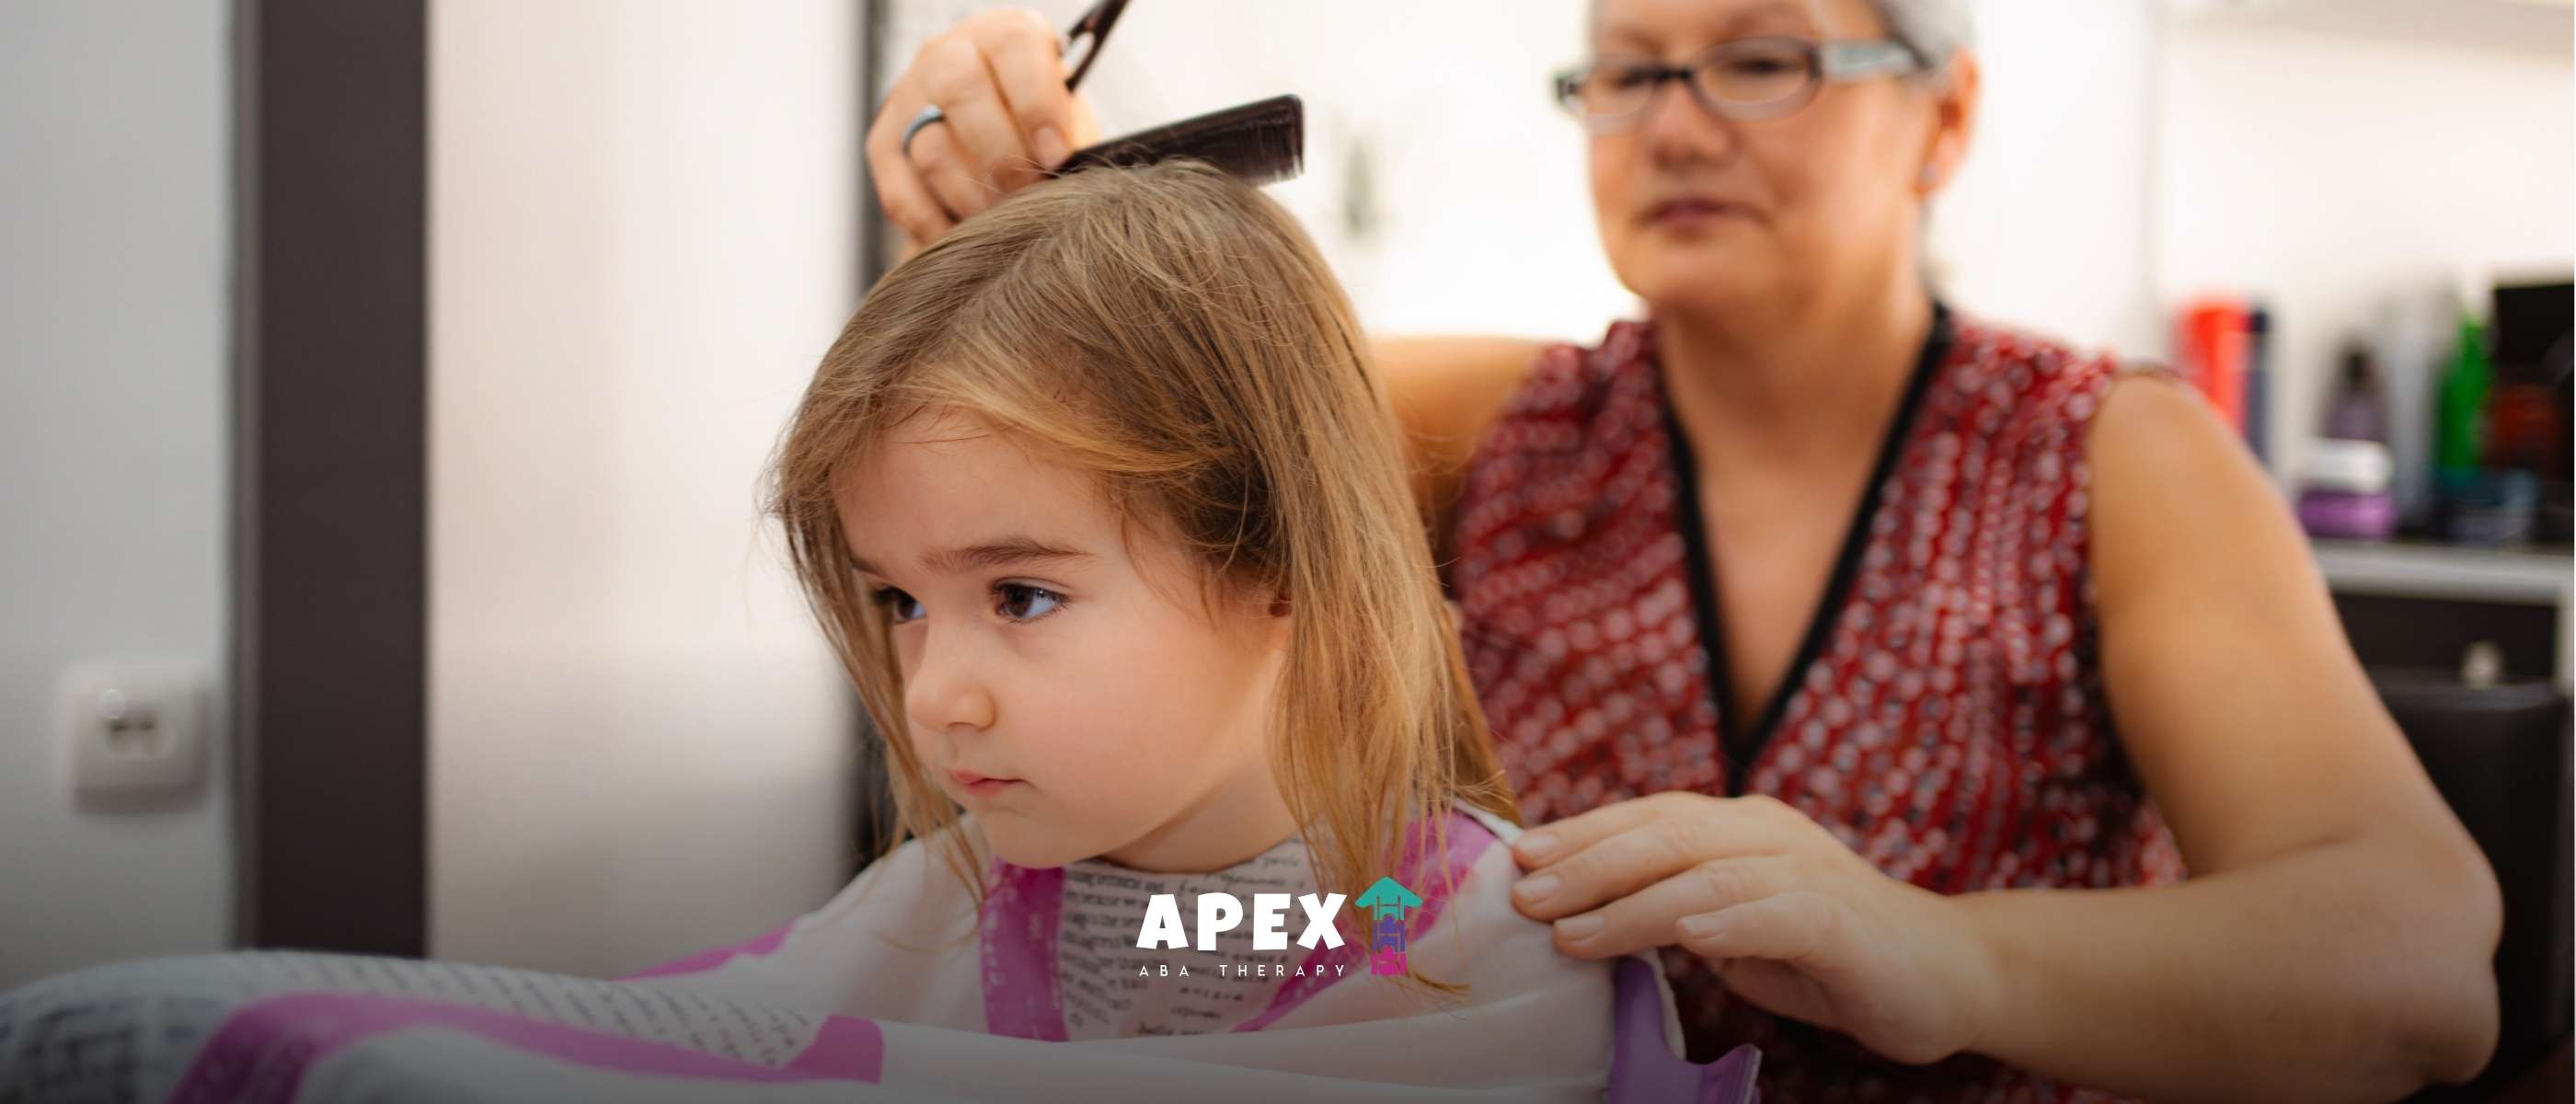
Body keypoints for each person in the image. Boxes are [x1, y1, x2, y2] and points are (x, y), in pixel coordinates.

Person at [867, 2, 2506, 1100]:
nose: (1679, 123)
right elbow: (1138, 385)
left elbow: (2417, 959)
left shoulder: (2111, 460)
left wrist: (1939, 951)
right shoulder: (1494, 426)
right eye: (1632, 69)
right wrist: (1008, 151)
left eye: (1763, 58)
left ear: (1947, 119)